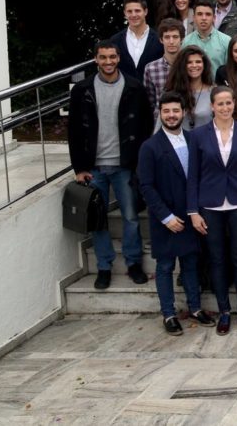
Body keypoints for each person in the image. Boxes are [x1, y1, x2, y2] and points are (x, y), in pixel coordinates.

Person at [68, 40, 154, 289]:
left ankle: (133, 263)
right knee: (98, 220)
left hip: (124, 164)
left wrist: (139, 161)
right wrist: (79, 168)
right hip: (93, 166)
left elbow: (145, 127)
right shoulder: (82, 89)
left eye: (112, 57)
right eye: (103, 57)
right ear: (96, 59)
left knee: (130, 217)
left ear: (119, 58)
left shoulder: (134, 87)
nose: (108, 62)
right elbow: (73, 131)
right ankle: (104, 266)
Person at [137, 91, 215, 335]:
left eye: (175, 111)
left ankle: (194, 307)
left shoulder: (194, 140)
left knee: (191, 264)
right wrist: (166, 217)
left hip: (191, 214)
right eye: (166, 111)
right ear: (160, 114)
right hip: (166, 218)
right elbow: (146, 186)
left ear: (183, 113)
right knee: (165, 267)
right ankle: (168, 313)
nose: (171, 116)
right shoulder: (149, 147)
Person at [187, 86, 237, 336]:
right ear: (212, 106)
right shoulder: (198, 135)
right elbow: (193, 175)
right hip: (209, 205)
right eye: (220, 104)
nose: (225, 108)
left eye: (229, 103)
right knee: (217, 259)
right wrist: (193, 211)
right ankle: (224, 313)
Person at [111, 0, 162, 83]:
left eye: (137, 11)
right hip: (123, 94)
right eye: (129, 11)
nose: (133, 15)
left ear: (145, 11)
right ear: (125, 13)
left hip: (152, 93)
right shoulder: (115, 40)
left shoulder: (160, 39)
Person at [164, 45, 214, 131]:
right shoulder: (171, 92)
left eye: (198, 62)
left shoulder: (214, 92)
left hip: (205, 142)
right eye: (189, 62)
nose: (194, 65)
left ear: (204, 64)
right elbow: (161, 124)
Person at [144, 19, 184, 115]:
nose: (171, 41)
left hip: (187, 122)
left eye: (175, 37)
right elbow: (149, 102)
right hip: (160, 122)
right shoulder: (151, 68)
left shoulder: (190, 66)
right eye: (167, 37)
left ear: (182, 39)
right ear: (161, 40)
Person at [183, 0, 231, 72]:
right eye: (200, 14)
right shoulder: (186, 42)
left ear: (214, 18)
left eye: (208, 14)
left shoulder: (226, 41)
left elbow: (230, 70)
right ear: (194, 18)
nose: (204, 18)